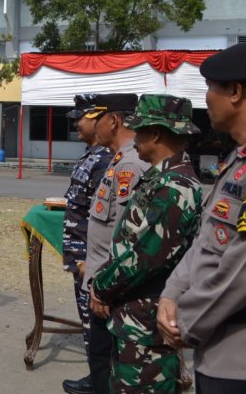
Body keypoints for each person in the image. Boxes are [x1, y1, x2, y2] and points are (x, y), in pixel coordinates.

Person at [157, 43, 246, 393]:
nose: (206, 98)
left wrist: (186, 321)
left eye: (211, 87)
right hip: (224, 353)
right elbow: (208, 239)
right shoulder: (244, 156)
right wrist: (172, 293)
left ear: (236, 92)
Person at [91, 94, 203, 392]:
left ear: (155, 133)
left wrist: (100, 287)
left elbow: (144, 257)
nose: (134, 137)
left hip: (148, 324)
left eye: (139, 130)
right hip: (135, 318)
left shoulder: (176, 188)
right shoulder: (160, 178)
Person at [80, 93, 149, 394]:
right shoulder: (119, 159)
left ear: (114, 120)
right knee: (101, 363)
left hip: (110, 289)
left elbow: (126, 236)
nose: (93, 125)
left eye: (98, 119)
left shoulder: (130, 166)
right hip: (102, 283)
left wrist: (105, 288)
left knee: (106, 366)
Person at [61, 94, 113, 394]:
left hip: (90, 257)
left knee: (97, 326)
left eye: (80, 117)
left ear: (98, 119)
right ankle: (98, 378)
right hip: (81, 254)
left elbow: (105, 216)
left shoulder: (106, 158)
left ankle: (102, 382)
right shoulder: (92, 154)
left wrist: (90, 260)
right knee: (90, 324)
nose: (76, 123)